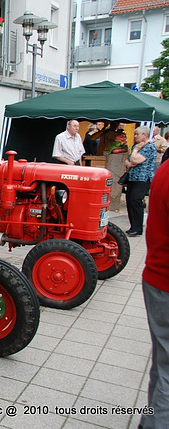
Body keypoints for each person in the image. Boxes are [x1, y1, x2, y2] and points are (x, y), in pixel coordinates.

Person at [139, 158, 169, 429]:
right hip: (165, 282)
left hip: (157, 278)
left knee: (163, 363)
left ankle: (150, 420)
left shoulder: (164, 169)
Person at [124, 125, 155, 237]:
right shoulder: (136, 145)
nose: (135, 136)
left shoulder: (149, 147)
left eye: (137, 134)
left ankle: (138, 228)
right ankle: (133, 226)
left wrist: (135, 152)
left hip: (143, 178)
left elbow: (135, 159)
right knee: (130, 200)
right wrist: (132, 160)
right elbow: (128, 160)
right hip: (132, 177)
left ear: (145, 135)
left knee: (136, 200)